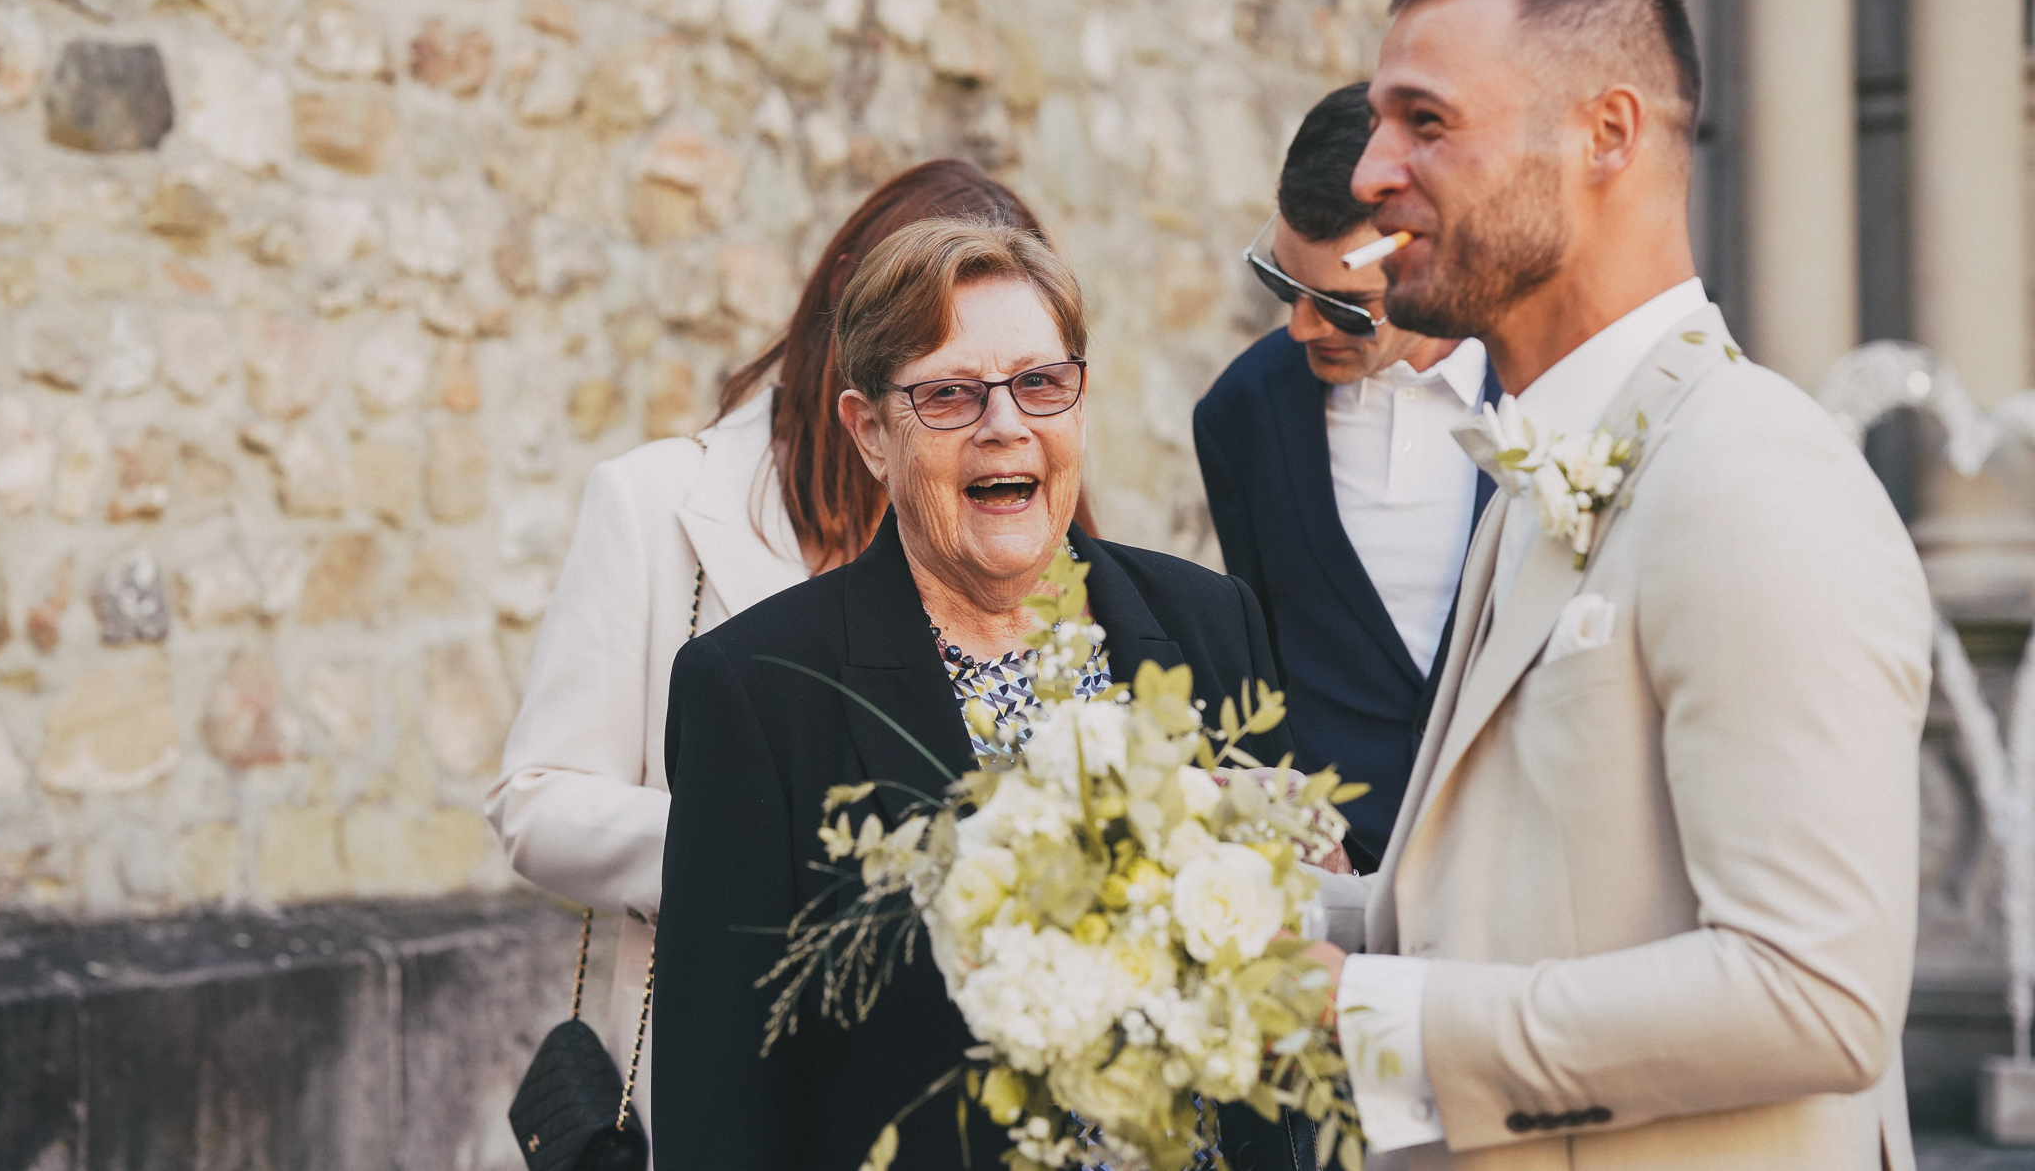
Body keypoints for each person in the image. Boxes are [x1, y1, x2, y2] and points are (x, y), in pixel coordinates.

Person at [1303, 0, 1931, 1170]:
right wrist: (1201, 894)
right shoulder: (1535, 473)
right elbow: (1494, 913)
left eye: (1424, 121)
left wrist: (1370, 1017)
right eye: (1377, 124)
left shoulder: (1754, 478)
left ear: (1605, 135)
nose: (1370, 172)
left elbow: (1813, 994)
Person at [653, 219, 1301, 1171]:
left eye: (1040, 383)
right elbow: (719, 1113)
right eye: (950, 395)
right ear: (871, 434)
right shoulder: (758, 694)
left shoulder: (1212, 623)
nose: (1006, 425)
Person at [484, 160, 1053, 1142]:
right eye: (942, 372)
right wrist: (754, 857)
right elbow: (535, 800)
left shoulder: (1016, 513)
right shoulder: (657, 502)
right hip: (727, 1062)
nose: (989, 411)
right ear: (850, 321)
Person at [1195, 84, 1499, 870]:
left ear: (1427, 249)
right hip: (1332, 882)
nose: (1302, 327)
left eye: (1344, 306)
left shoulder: (1551, 392)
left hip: (1517, 867)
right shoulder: (1241, 412)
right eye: (1284, 286)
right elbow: (1261, 663)